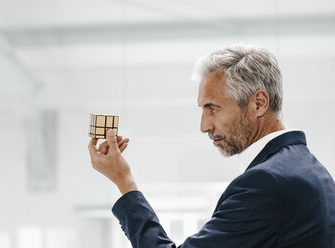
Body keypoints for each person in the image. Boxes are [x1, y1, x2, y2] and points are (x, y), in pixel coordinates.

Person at [88, 44, 335, 248]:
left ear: (259, 103)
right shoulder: (314, 171)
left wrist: (124, 181)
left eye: (212, 108)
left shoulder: (267, 182)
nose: (204, 126)